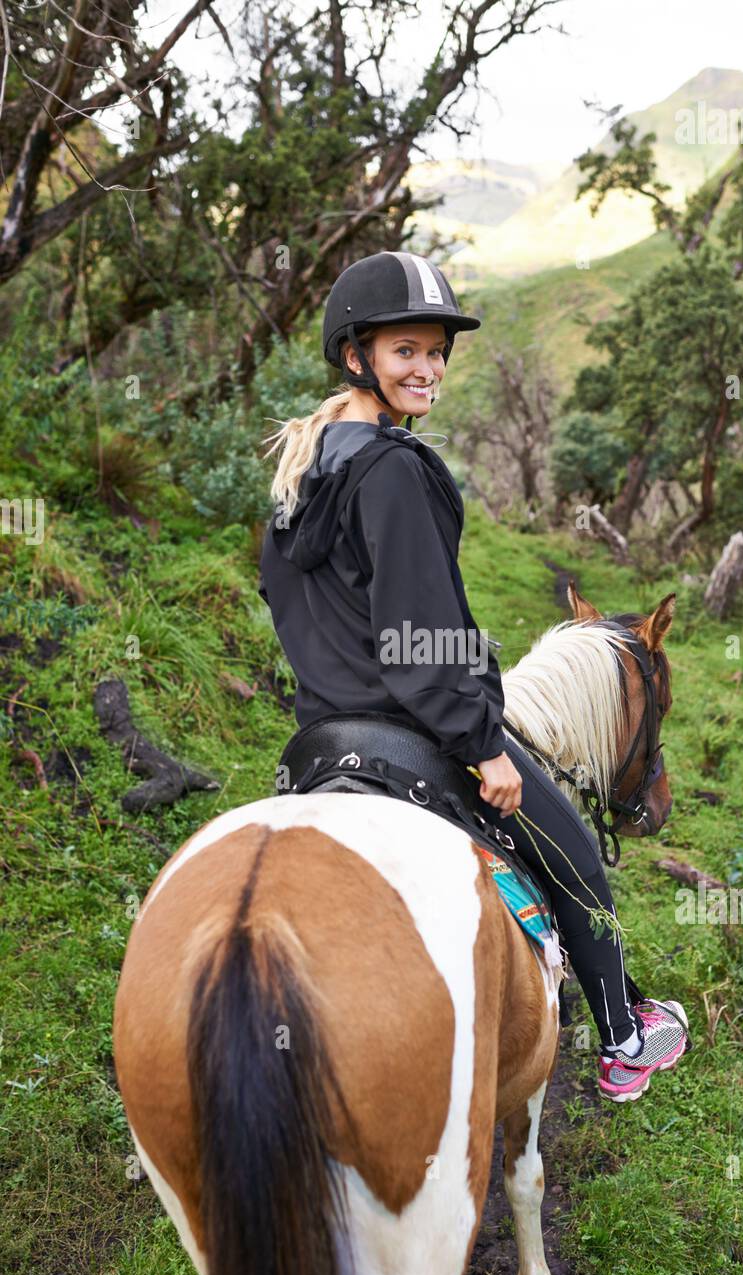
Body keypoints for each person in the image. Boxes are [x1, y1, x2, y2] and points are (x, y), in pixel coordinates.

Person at [257, 249, 688, 1101]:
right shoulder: (392, 471)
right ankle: (623, 1032)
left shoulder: (300, 476)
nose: (428, 369)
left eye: (436, 351)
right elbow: (422, 631)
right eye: (405, 351)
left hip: (320, 738)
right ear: (358, 356)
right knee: (576, 863)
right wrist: (481, 743)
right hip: (413, 728)